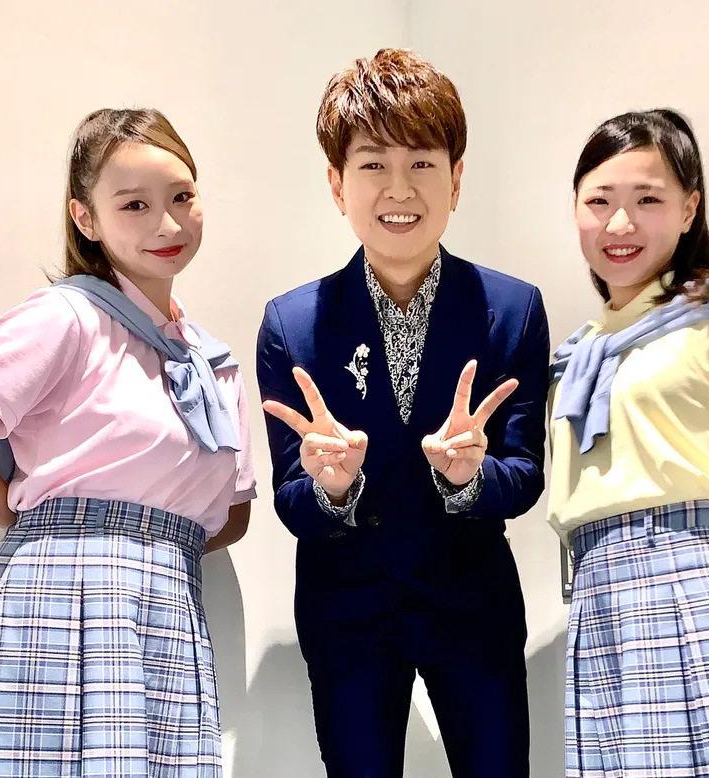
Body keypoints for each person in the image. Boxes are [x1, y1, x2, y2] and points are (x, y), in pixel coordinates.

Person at [256, 48, 550, 778]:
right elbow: (291, 499)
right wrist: (332, 488)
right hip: (347, 615)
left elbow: (525, 473)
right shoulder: (293, 323)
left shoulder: (511, 308)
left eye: (421, 163)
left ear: (456, 178)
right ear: (337, 184)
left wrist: (470, 479)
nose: (399, 188)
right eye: (372, 165)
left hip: (473, 608)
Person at [0, 108, 256, 777]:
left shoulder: (213, 363)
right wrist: (37, 517)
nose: (168, 225)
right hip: (58, 600)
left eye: (181, 197)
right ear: (86, 218)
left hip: (169, 608)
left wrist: (152, 541)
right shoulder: (66, 317)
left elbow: (232, 516)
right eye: (134, 205)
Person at [549, 108, 709, 777]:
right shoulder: (577, 355)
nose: (620, 224)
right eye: (599, 201)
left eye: (648, 200)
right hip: (600, 612)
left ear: (689, 208)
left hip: (705, 599)